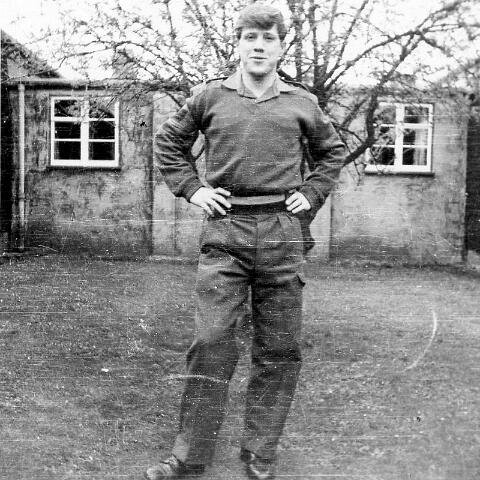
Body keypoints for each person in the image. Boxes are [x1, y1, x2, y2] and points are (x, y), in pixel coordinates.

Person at [147, 4, 345, 479]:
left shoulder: (302, 102)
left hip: (282, 232)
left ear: (281, 46)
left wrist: (311, 192)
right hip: (226, 230)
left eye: (268, 38)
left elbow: (332, 153)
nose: (258, 46)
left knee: (279, 349)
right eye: (250, 37)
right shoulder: (209, 96)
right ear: (236, 44)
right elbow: (169, 143)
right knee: (211, 342)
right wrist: (193, 189)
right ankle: (190, 455)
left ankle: (260, 452)